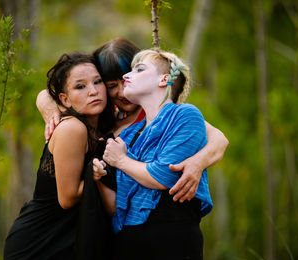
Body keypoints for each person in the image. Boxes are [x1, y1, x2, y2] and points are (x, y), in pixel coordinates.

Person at [36, 38, 229, 203]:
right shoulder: (103, 117)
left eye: (127, 79)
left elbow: (219, 139)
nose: (122, 92)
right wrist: (48, 105)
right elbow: (49, 94)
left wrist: (196, 163)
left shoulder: (157, 114)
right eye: (111, 85)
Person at [93, 49, 212, 260]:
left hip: (173, 243)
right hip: (128, 245)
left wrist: (121, 161)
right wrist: (96, 174)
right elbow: (116, 205)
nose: (127, 76)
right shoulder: (129, 134)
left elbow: (163, 175)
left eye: (139, 69)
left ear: (163, 79)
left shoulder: (185, 115)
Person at [3, 52, 115, 260]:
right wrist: (97, 177)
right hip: (40, 242)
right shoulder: (73, 129)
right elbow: (67, 198)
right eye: (80, 87)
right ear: (64, 99)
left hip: (68, 240)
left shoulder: (98, 128)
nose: (93, 91)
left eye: (98, 82)